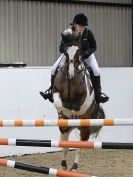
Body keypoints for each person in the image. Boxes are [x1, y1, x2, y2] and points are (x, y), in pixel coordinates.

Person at [40, 13, 109, 104]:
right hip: (70, 55)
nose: (82, 28)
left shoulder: (88, 33)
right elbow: (61, 48)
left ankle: (98, 95)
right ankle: (51, 92)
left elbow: (94, 47)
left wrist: (86, 53)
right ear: (75, 24)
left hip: (86, 55)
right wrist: (69, 52)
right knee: (53, 69)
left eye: (84, 26)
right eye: (80, 26)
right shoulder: (68, 33)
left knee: (96, 71)